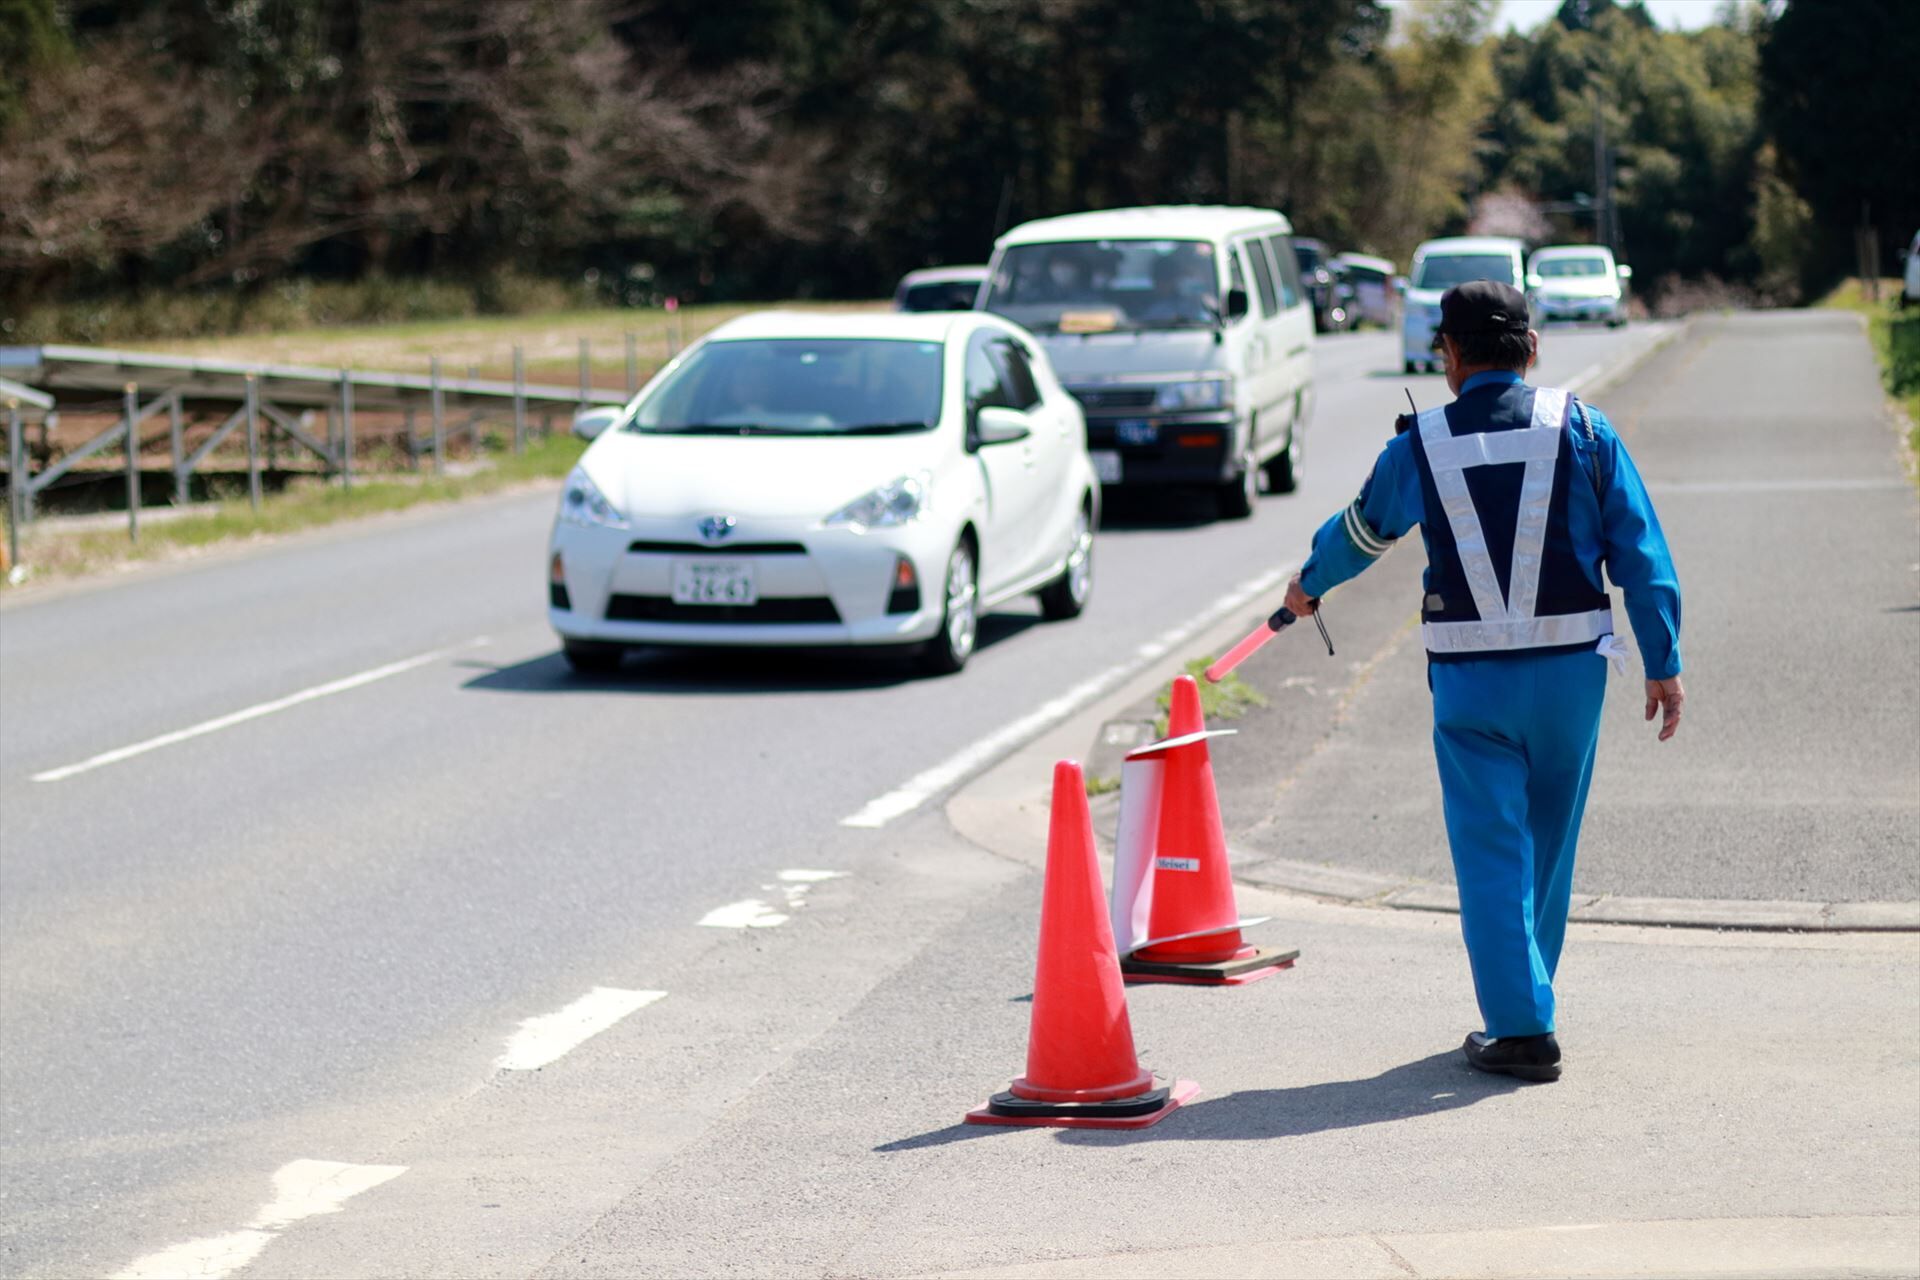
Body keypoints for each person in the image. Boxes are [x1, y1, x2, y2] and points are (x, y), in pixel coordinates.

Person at [1283, 280, 1684, 1083]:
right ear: (1531, 349)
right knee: (1547, 844)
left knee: (1490, 849)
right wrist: (1663, 660)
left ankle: (1522, 1026)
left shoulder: (1419, 445)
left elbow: (1363, 532)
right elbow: (1640, 550)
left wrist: (1308, 586)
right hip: (1573, 674)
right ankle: (1529, 998)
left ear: (1450, 358)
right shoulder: (1585, 429)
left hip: (1470, 686)